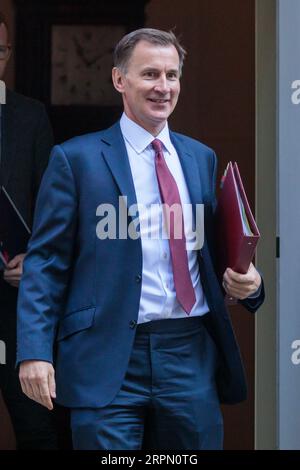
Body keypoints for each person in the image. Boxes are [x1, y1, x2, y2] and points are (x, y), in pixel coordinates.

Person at [17, 28, 264, 450]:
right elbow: (46, 262)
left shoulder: (199, 157)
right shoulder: (75, 159)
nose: (163, 87)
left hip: (189, 350)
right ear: (119, 80)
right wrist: (34, 351)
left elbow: (217, 251)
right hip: (107, 353)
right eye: (150, 74)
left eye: (172, 75)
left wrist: (251, 282)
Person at [0, 12, 58, 449]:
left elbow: (56, 208)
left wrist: (37, 258)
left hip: (19, 300)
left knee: (37, 429)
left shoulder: (29, 116)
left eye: (0, 52)